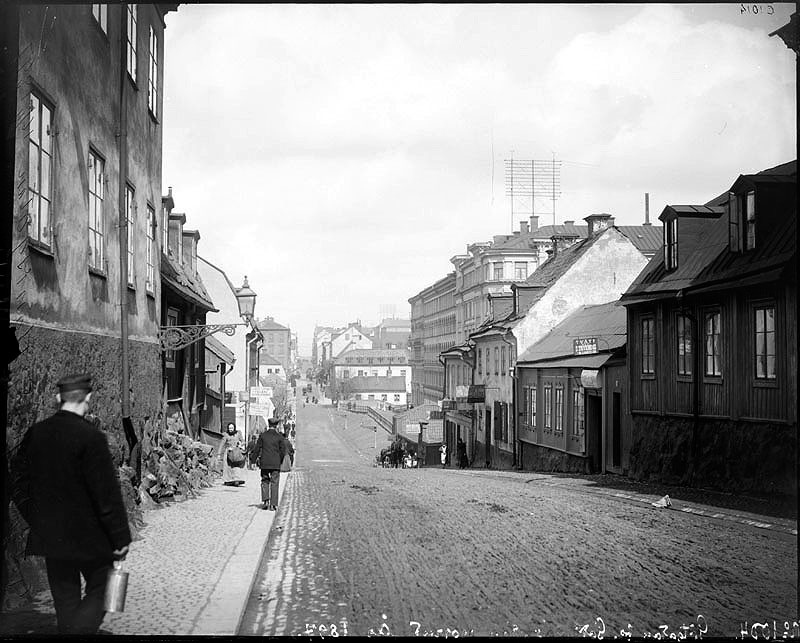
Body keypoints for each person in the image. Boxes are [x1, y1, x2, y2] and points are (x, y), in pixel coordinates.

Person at [10, 373, 131, 635]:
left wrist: (34, 516)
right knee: (103, 589)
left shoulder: (36, 434)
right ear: (88, 398)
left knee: (65, 601)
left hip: (52, 537)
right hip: (92, 538)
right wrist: (120, 538)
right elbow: (107, 495)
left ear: (58, 398)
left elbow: (18, 480)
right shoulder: (92, 438)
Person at [254, 418, 286, 510]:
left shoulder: (263, 436)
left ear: (269, 425)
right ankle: (273, 504)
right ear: (276, 426)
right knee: (275, 483)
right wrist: (280, 460)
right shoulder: (279, 437)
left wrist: (253, 460)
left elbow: (257, 448)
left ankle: (265, 501)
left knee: (264, 481)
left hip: (264, 463)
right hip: (275, 463)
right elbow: (283, 451)